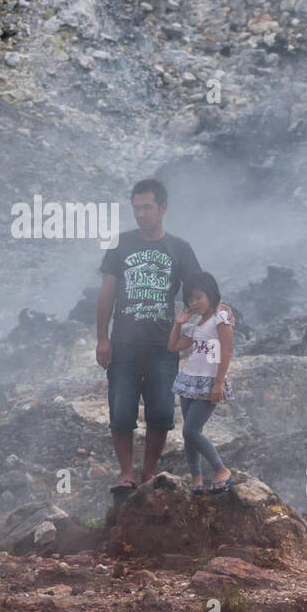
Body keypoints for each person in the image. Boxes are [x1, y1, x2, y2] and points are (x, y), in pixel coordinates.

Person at [97, 178, 201, 490]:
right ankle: (127, 473)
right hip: (124, 343)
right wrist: (102, 338)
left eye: (147, 207)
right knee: (121, 410)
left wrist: (197, 327)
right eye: (136, 208)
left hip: (162, 344)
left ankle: (149, 471)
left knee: (161, 412)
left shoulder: (180, 249)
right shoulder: (119, 244)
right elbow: (107, 293)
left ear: (162, 208)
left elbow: (198, 292)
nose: (141, 214)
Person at [167, 272, 234, 494]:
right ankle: (196, 476)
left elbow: (226, 351)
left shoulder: (220, 318)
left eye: (198, 297)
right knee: (189, 432)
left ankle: (221, 469)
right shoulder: (197, 325)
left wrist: (218, 383)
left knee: (191, 431)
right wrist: (178, 323)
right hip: (190, 381)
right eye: (190, 300)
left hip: (208, 383)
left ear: (211, 294)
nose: (194, 303)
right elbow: (173, 346)